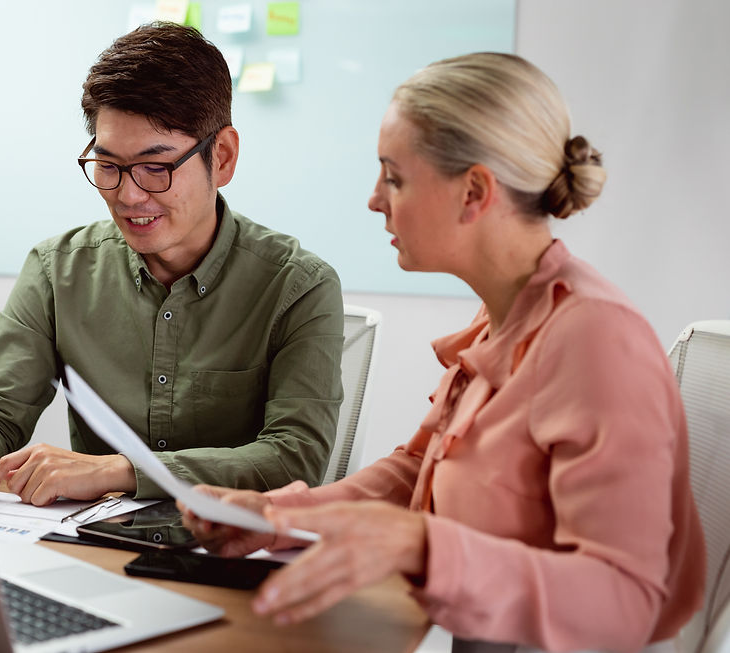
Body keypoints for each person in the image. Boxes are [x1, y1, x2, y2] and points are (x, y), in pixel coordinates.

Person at [181, 52, 705, 653]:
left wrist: (421, 545)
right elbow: (415, 474)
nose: (376, 200)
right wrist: (274, 518)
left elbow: (627, 601)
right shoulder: (504, 314)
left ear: (474, 191)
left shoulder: (595, 340)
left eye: (395, 177)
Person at [0, 22, 344, 504]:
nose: (129, 195)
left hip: (231, 552)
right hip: (91, 547)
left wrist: (123, 471)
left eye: (156, 167)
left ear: (221, 157)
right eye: (108, 165)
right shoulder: (58, 270)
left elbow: (295, 457)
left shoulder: (299, 285)